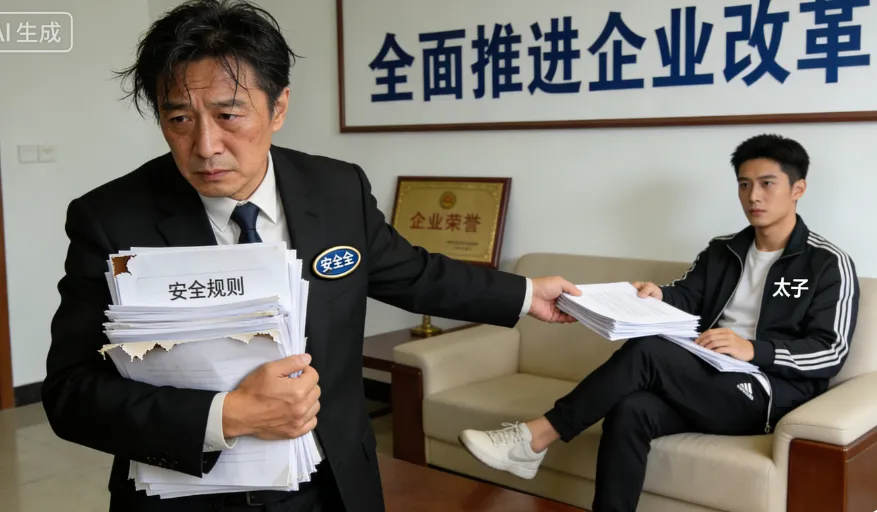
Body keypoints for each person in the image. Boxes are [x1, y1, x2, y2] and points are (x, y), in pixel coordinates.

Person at [40, 1, 581, 511]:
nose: (205, 146)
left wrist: (527, 294)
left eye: (229, 115)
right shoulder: (111, 220)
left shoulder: (336, 188)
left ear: (278, 107)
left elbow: (413, 273)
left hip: (331, 485)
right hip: (188, 493)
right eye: (179, 118)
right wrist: (223, 416)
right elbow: (71, 393)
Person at [459, 133, 860, 512]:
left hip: (767, 392)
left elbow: (831, 351)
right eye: (744, 184)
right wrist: (660, 296)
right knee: (630, 409)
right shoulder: (724, 250)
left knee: (649, 350)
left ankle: (535, 437)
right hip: (710, 374)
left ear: (798, 188)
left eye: (767, 183)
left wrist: (753, 350)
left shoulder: (828, 263)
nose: (753, 195)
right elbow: (688, 294)